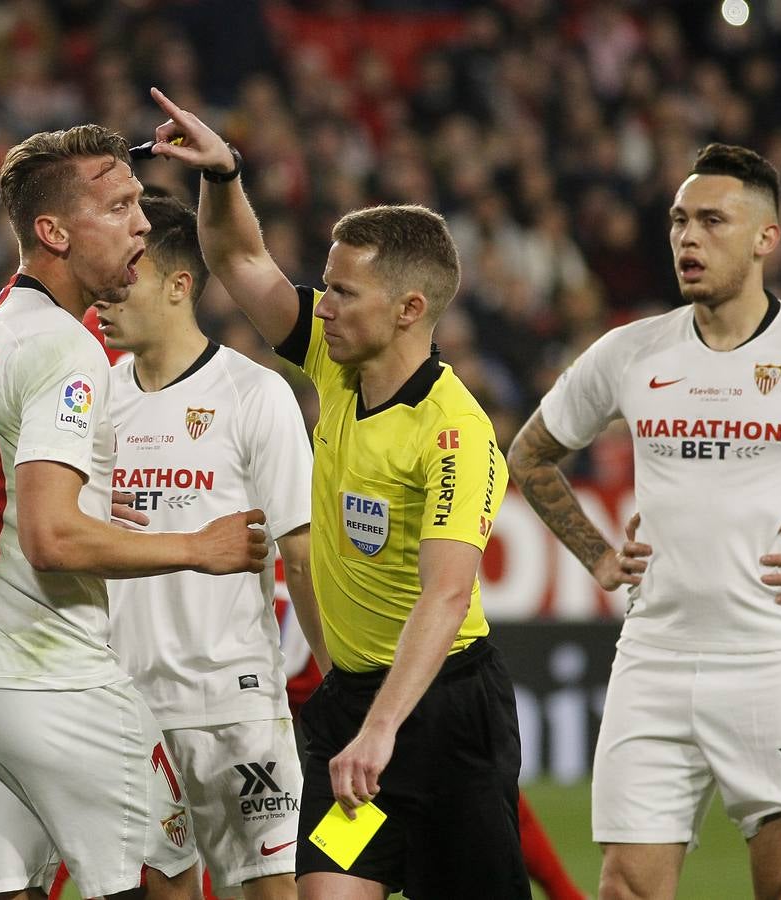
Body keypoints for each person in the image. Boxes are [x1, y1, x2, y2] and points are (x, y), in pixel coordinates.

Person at [0, 124, 268, 900]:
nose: (142, 222)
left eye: (138, 203)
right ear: (53, 232)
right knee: (165, 883)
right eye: (116, 207)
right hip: (53, 684)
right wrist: (196, 546)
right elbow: (52, 537)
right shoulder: (66, 350)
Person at [143, 88, 531, 900]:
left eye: (344, 292)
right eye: (327, 285)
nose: (324, 305)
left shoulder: (453, 431)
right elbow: (240, 261)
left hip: (445, 715)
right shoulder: (334, 360)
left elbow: (447, 592)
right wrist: (224, 176)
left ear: (409, 309)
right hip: (354, 707)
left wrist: (383, 729)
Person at [507, 142, 781, 899]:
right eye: (677, 220)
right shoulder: (631, 351)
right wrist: (598, 556)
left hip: (771, 659)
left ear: (766, 238)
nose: (686, 238)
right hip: (653, 657)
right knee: (625, 886)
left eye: (711, 221)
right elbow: (528, 456)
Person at [93, 192, 330, 900]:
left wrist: (337, 689)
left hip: (235, 704)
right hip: (124, 708)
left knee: (271, 892)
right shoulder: (89, 401)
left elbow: (303, 554)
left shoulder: (253, 394)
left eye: (122, 277)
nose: (103, 295)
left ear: (177, 284)